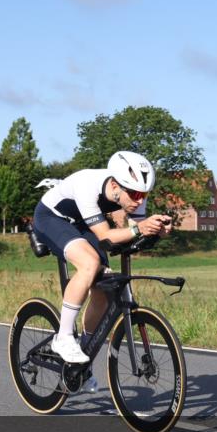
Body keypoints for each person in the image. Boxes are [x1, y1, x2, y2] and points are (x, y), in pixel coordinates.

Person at [32, 151, 173, 366]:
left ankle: (82, 358)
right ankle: (63, 337)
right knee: (89, 264)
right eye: (135, 195)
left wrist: (156, 230)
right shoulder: (88, 185)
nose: (140, 200)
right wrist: (140, 229)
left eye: (144, 195)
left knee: (102, 289)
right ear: (116, 186)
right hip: (52, 218)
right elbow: (106, 235)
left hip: (82, 222)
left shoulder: (135, 195)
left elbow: (134, 230)